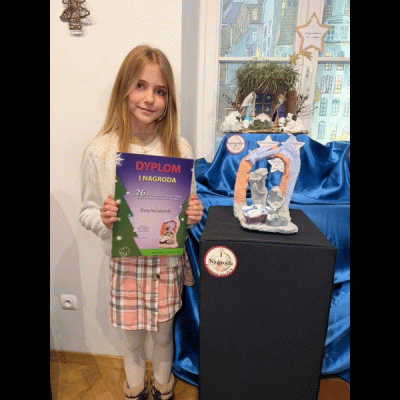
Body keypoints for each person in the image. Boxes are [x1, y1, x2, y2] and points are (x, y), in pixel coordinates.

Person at [79, 45, 203, 400]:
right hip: (126, 264)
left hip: (166, 263)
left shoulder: (180, 148)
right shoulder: (100, 150)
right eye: (140, 86)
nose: (149, 98)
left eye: (160, 91)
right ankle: (134, 391)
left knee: (163, 337)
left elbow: (186, 209)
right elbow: (87, 211)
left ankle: (163, 389)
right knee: (131, 340)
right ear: (124, 88)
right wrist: (104, 219)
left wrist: (192, 215)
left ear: (168, 99)